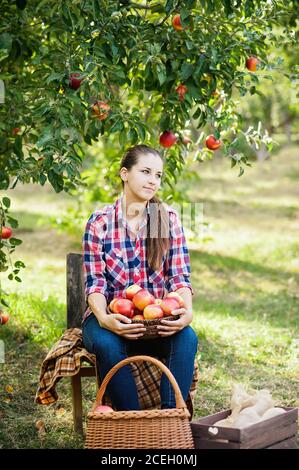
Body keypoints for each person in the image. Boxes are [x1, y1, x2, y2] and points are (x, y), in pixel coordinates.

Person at [82, 144, 198, 411]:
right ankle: (132, 422)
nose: (152, 180)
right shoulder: (100, 222)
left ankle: (170, 420)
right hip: (111, 319)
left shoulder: (165, 218)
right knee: (106, 343)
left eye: (157, 175)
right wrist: (105, 319)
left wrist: (187, 313)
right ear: (124, 173)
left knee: (187, 338)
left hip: (153, 321)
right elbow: (96, 283)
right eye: (145, 171)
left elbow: (179, 277)